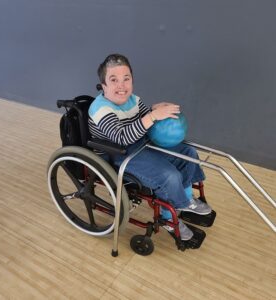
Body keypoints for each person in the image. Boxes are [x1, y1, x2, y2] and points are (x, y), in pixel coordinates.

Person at [88, 53, 211, 240]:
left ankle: (185, 201)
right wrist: (152, 116)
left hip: (140, 144)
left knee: (188, 153)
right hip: (118, 155)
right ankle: (170, 217)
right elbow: (122, 138)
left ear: (132, 80)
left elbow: (145, 119)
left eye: (126, 79)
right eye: (114, 80)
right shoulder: (101, 109)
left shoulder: (133, 99)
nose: (121, 86)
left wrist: (154, 109)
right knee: (169, 175)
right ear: (103, 85)